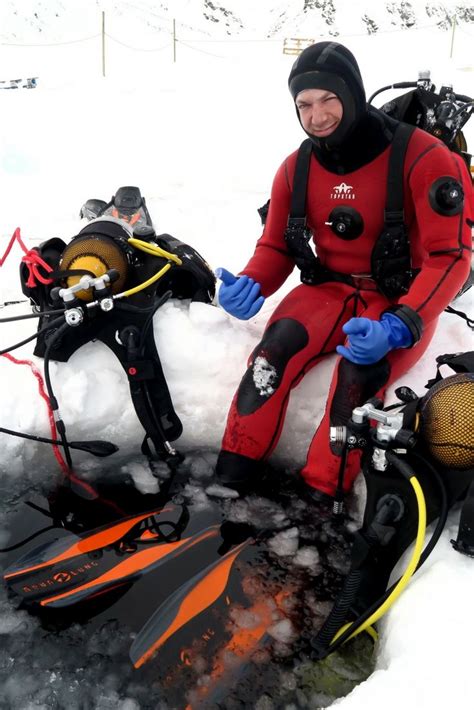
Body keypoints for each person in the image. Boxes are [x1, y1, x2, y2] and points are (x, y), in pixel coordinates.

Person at [214, 41, 472, 501]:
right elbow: (277, 244)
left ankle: (319, 500)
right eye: (304, 104)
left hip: (399, 299)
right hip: (326, 291)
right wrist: (251, 280)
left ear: (353, 93)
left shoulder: (424, 157)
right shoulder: (297, 167)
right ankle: (228, 482)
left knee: (358, 377)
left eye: (328, 99)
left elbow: (450, 257)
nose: (317, 117)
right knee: (272, 356)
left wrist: (401, 323)